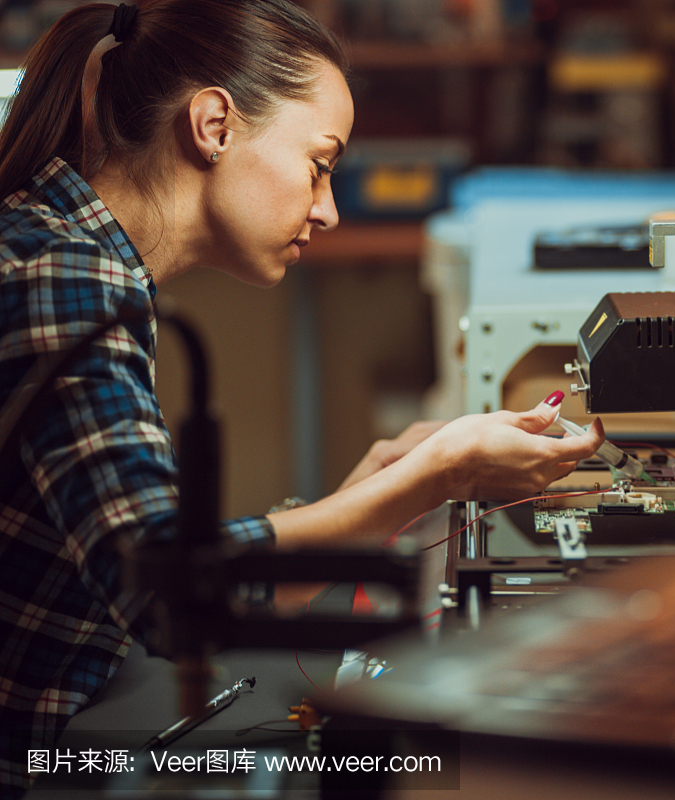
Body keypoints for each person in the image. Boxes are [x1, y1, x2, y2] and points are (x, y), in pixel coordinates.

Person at [0, 1, 602, 795]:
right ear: (214, 126)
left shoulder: (59, 249)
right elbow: (168, 595)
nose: (329, 209)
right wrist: (438, 476)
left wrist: (378, 483)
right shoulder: (65, 278)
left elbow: (153, 563)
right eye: (319, 164)